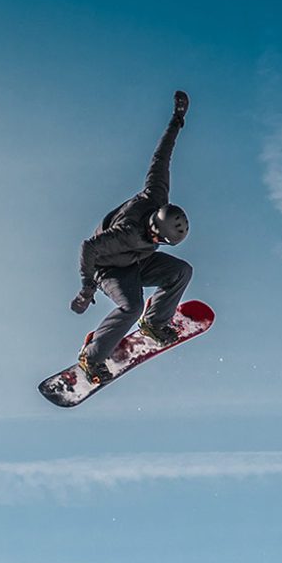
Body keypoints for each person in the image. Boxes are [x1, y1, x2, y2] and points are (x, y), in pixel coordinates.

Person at [71, 90, 193, 384]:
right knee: (131, 306)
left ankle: (155, 323)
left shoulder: (156, 194)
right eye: (157, 240)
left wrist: (177, 120)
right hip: (109, 269)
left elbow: (161, 157)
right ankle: (92, 357)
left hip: (138, 261)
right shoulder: (125, 233)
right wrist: (87, 288)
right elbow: (88, 248)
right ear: (154, 228)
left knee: (181, 271)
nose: (157, 243)